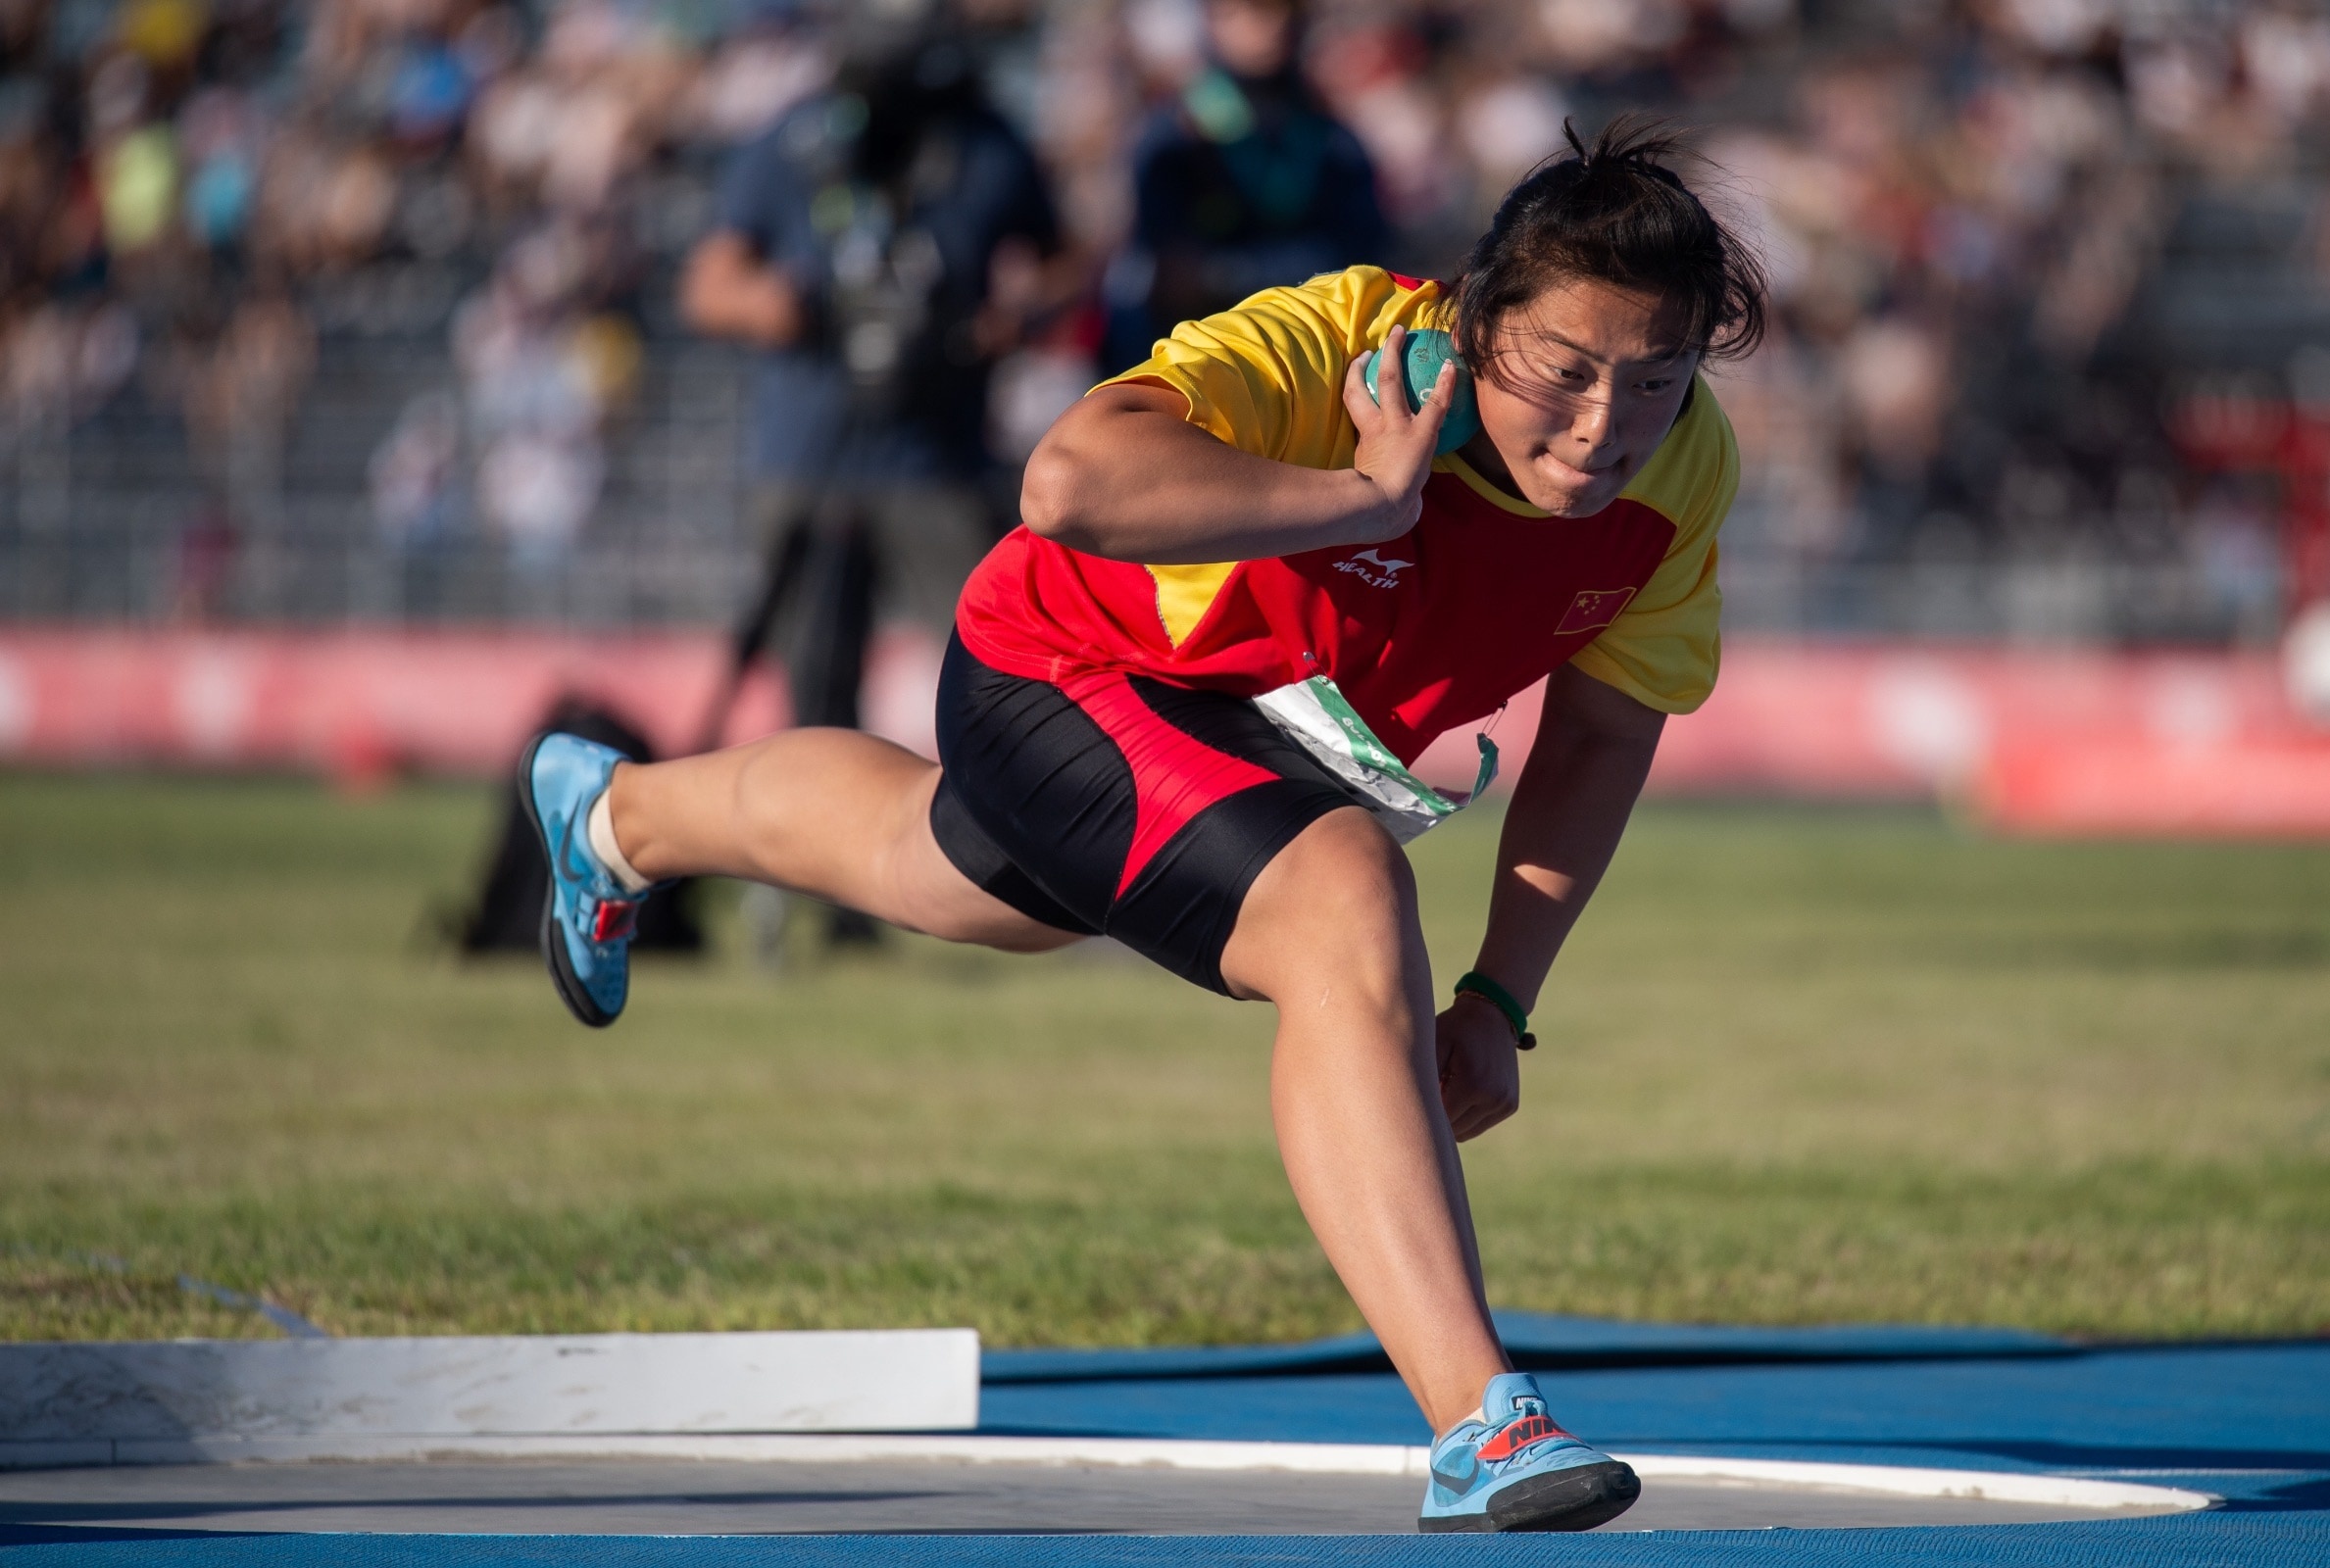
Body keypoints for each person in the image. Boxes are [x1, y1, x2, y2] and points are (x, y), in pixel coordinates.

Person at [521, 119, 1761, 1534]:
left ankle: (613, 814)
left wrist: (1499, 999)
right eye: (1564, 371)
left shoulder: (1681, 476)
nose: (1605, 425)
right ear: (1475, 326)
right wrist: (1363, 491)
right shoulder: (1333, 341)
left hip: (1248, 743)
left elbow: (1604, 735)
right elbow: (1066, 484)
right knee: (1338, 895)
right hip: (1063, 666)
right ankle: (1480, 1420)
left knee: (931, 869)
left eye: (1653, 381)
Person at [679, 10, 1066, 942]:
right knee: (816, 687)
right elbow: (709, 284)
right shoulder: (796, 140)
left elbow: (1063, 263)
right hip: (810, 455)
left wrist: (1010, 317)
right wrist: (778, 307)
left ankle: (1054, 876)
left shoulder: (988, 143)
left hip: (934, 458)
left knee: (1018, 671)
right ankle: (831, 910)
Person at [1104, 0, 1386, 372]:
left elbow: (1362, 257)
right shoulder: (1174, 137)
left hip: (1305, 356)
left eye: (1280, 10)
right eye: (1247, 11)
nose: (1269, 25)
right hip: (1197, 357)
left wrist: (1220, 274)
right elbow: (1168, 273)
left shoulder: (1330, 139)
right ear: (1212, 20)